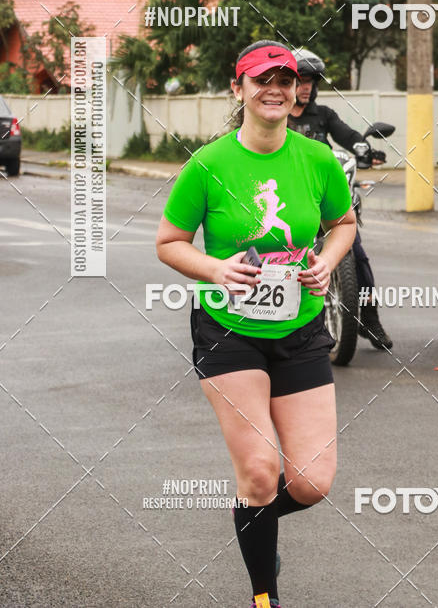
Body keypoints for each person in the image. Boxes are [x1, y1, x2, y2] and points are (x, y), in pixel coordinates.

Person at [156, 40, 356, 608]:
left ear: (298, 94)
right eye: (262, 79)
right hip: (228, 331)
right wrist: (216, 269)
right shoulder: (209, 164)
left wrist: (326, 262)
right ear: (238, 88)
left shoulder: (316, 160)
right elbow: (169, 243)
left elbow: (344, 223)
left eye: (286, 81)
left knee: (310, 483)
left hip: (301, 329)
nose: (275, 89)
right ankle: (263, 594)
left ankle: (252, 516)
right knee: (263, 471)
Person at [287, 48, 393, 350]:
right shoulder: (277, 116)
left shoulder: (324, 115)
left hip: (328, 202)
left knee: (358, 257)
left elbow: (348, 136)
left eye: (311, 81)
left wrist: (363, 148)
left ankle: (370, 319)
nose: (306, 87)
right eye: (300, 80)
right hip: (288, 204)